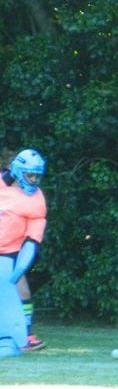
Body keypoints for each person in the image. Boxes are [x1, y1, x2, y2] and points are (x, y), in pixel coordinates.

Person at [0, 149, 48, 352]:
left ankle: (26, 335)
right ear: (18, 171)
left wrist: (20, 268)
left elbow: (32, 240)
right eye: (30, 174)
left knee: (22, 292)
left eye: (38, 175)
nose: (34, 179)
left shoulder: (36, 200)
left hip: (10, 253)